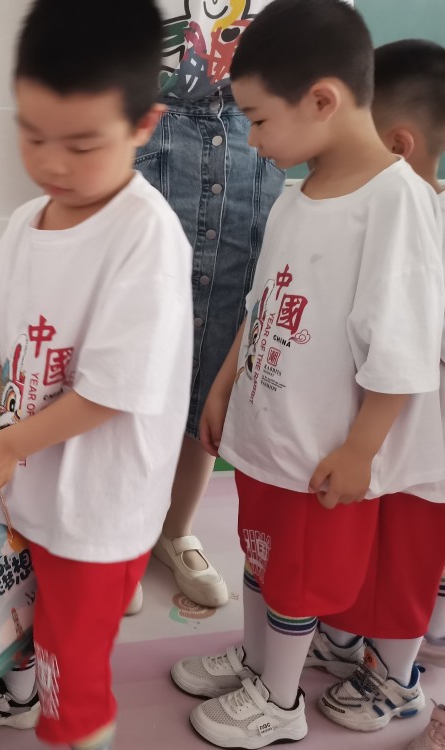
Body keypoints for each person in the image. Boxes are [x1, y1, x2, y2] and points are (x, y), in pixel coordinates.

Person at [169, 1, 445, 747]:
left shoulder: (396, 202)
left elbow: (404, 346)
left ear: (322, 100)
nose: (253, 140)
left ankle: (279, 700)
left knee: (296, 573)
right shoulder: (298, 196)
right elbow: (260, 304)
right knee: (261, 557)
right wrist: (223, 386)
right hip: (269, 433)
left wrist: (362, 450)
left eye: (259, 120)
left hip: (321, 451)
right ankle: (260, 661)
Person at [0, 1, 194, 746]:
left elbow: (112, 392)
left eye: (82, 145)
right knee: (20, 614)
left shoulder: (146, 236)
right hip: (25, 488)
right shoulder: (26, 222)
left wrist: (6, 445)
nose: (52, 164)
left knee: (70, 666)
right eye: (32, 136)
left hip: (97, 510)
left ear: (143, 125)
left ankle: (67, 725)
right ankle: (16, 695)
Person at [134, 0, 290, 612]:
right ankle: (120, 535)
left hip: (249, 131)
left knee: (220, 344)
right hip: (153, 120)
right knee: (133, 355)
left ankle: (176, 529)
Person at [315, 38, 445, 750]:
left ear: (395, 144)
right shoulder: (380, 215)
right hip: (378, 440)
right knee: (367, 548)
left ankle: (396, 677)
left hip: (425, 455)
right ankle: (349, 640)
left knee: (405, 568)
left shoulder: (425, 224)